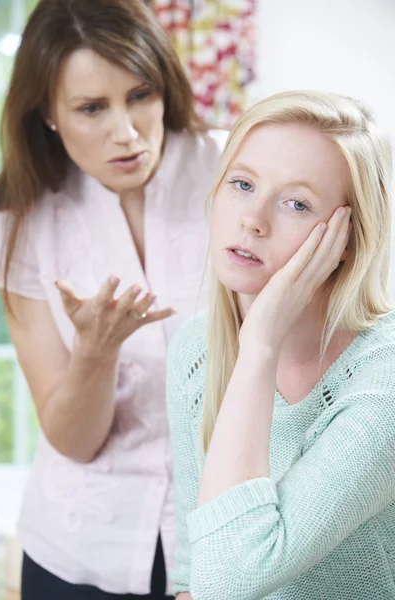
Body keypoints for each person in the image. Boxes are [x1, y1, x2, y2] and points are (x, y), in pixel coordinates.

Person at [0, 0, 227, 598]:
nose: (125, 133)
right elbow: (72, 440)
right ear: (47, 112)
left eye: (141, 95)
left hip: (226, 540)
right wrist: (96, 352)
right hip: (78, 551)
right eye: (91, 108)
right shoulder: (19, 219)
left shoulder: (236, 173)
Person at [167, 90, 395, 600]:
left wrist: (260, 345)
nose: (253, 220)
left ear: (348, 239)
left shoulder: (385, 378)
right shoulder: (195, 350)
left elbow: (230, 577)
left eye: (296, 203)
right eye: (242, 184)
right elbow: (192, 577)